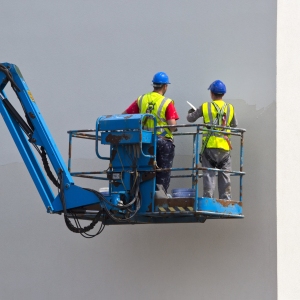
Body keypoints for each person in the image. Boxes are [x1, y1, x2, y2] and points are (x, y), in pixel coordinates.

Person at [123, 72, 179, 193]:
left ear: (153, 85)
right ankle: (159, 195)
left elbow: (125, 115)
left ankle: (142, 195)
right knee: (163, 171)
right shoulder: (167, 102)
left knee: (144, 170)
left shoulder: (142, 99)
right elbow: (172, 126)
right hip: (163, 142)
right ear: (165, 86)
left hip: (145, 142)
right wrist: (174, 128)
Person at [186, 80, 237, 200]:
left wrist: (190, 111)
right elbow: (234, 125)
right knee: (225, 175)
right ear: (223, 94)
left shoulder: (205, 106)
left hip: (209, 148)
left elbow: (190, 119)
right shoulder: (230, 108)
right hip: (225, 148)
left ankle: (208, 199)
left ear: (212, 93)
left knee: (209, 174)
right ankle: (226, 200)